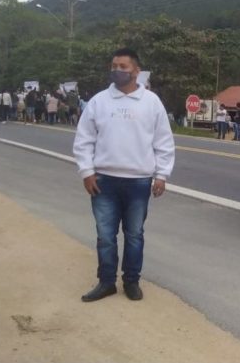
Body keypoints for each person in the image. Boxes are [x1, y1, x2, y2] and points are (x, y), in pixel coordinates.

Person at [73, 48, 175, 302]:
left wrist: (161, 174)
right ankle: (106, 282)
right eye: (114, 66)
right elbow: (84, 139)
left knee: (134, 235)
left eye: (123, 66)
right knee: (105, 236)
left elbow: (164, 141)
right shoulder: (99, 101)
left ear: (136, 71)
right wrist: (87, 171)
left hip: (139, 181)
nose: (117, 70)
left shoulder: (151, 102)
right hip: (103, 181)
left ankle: (131, 281)